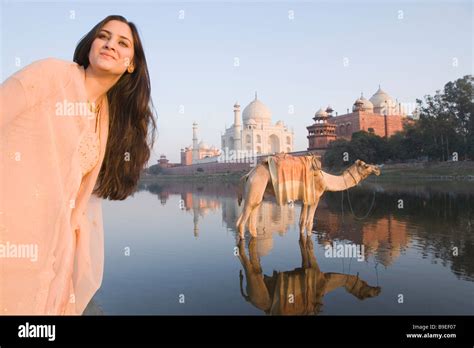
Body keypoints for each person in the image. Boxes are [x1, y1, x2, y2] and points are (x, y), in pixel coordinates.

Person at [0, 15, 156, 314]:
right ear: (90, 45)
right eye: (103, 36)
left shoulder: (105, 119)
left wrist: (63, 268)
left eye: (123, 43)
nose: (110, 44)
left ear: (131, 64)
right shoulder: (51, 75)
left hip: (45, 246)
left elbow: (77, 204)